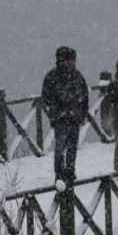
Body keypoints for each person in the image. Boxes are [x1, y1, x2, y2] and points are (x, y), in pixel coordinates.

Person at [41, 46, 89, 183]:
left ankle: (70, 170)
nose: (72, 62)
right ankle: (60, 173)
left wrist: (82, 114)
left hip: (74, 118)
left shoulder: (77, 76)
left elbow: (84, 97)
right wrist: (57, 111)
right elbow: (46, 98)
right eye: (70, 60)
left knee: (72, 147)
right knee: (60, 148)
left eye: (73, 60)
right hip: (60, 119)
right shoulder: (52, 77)